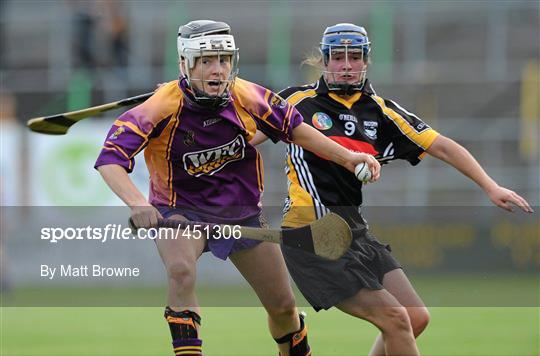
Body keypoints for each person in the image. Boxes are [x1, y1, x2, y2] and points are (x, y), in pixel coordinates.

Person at [94, 20, 380, 356]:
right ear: (185, 64)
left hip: (240, 214)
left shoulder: (249, 96)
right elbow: (109, 160)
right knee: (181, 270)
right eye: (207, 61)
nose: (218, 70)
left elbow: (297, 130)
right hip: (179, 211)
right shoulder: (160, 106)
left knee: (283, 308)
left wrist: (347, 156)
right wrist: (137, 203)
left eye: (224, 60)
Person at [252, 23, 534, 355]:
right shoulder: (296, 101)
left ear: (366, 61)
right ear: (324, 61)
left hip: (354, 231)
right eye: (337, 57)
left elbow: (441, 146)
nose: (346, 65)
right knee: (397, 319)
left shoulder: (382, 111)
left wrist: (491, 186)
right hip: (311, 234)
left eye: (354, 57)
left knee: (415, 318)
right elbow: (247, 139)